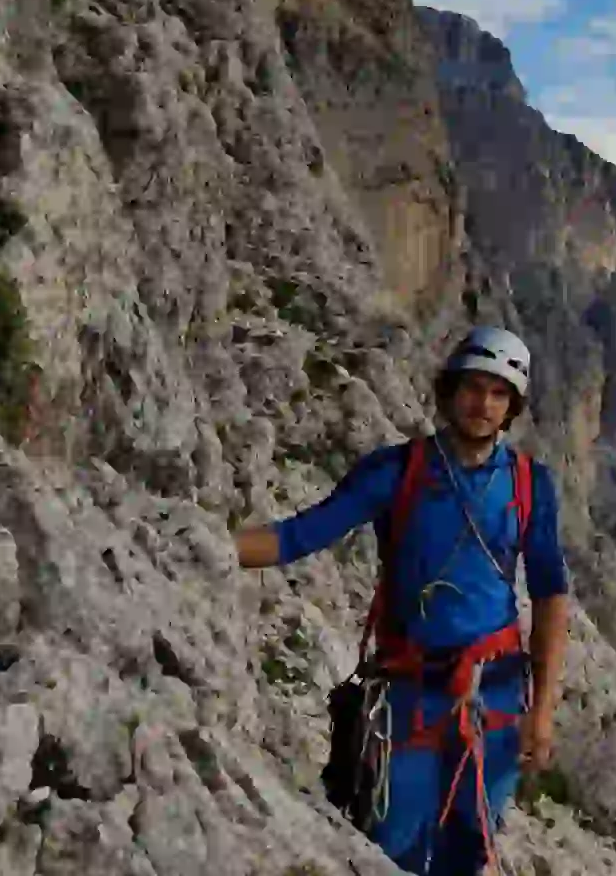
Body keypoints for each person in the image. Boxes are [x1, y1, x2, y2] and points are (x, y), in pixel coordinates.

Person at [232, 326, 572, 874]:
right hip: (409, 693)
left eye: (498, 393)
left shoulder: (531, 486)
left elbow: (552, 593)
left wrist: (545, 710)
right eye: (473, 387)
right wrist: (210, 547)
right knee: (394, 850)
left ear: (512, 408)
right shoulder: (397, 472)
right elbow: (299, 536)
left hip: (497, 694)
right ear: (450, 390)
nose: (482, 404)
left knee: (468, 852)